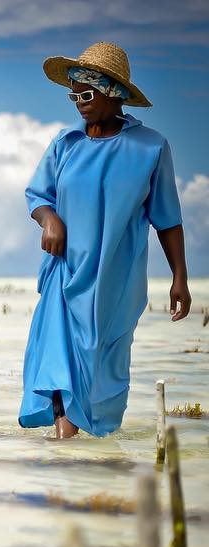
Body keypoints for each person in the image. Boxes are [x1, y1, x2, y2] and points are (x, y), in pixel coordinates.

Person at [19, 42, 190, 439]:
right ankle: (65, 460)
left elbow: (167, 218)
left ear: (112, 92)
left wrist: (179, 276)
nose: (78, 103)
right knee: (59, 366)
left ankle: (82, 461)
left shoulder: (151, 147)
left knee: (100, 369)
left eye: (86, 94)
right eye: (73, 94)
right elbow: (37, 196)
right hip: (64, 273)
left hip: (116, 277)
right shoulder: (66, 144)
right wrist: (50, 220)